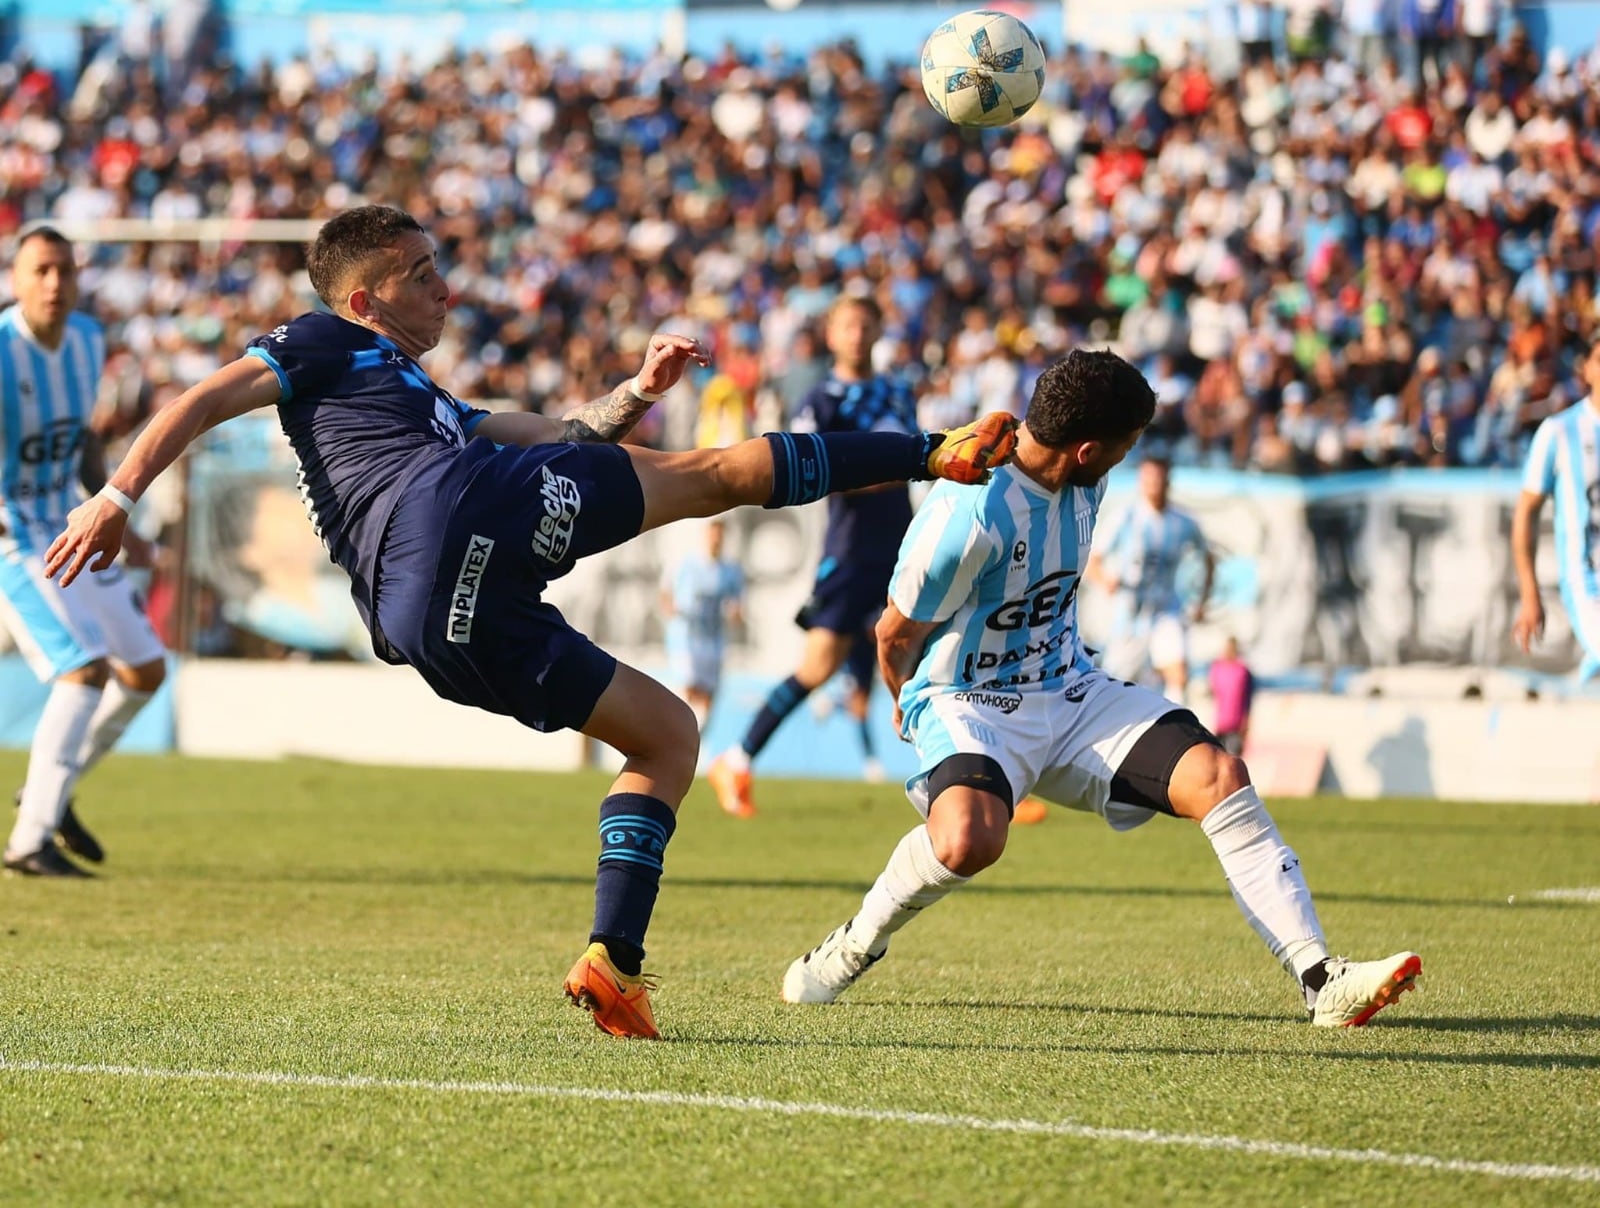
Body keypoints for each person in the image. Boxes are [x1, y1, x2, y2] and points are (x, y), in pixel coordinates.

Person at [44, 205, 1018, 1040]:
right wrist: (118, 494)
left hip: (434, 623)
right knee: (710, 477)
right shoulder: (324, 341)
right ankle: (939, 451)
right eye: (421, 275)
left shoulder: (428, 401)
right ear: (363, 302)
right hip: (451, 515)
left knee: (667, 734)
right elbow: (209, 394)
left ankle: (615, 961)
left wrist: (636, 393)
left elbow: (555, 437)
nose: (445, 291)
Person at [780, 349, 1422, 1028]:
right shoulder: (966, 517)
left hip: (1071, 689)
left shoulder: (1082, 479)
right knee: (967, 839)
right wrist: (906, 705)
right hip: (969, 703)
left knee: (1218, 774)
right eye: (1124, 446)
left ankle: (1322, 980)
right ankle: (852, 947)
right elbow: (893, 634)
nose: (1128, 458)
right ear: (1088, 451)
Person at [1, 225, 168, 878]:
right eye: (40, 270)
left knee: (145, 671)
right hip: (13, 538)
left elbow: (82, 445)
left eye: (65, 271)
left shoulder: (89, 340)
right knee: (83, 669)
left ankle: (52, 791)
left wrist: (114, 511)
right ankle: (27, 842)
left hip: (69, 528)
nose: (54, 283)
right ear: (16, 278)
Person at [706, 297, 916, 815]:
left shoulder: (896, 390)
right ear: (831, 335)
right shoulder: (823, 400)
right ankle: (736, 758)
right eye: (848, 325)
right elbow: (814, 472)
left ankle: (987, 780)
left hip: (905, 545)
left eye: (867, 324)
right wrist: (892, 469)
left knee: (935, 656)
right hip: (849, 552)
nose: (858, 333)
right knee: (819, 667)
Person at [1087, 453, 1215, 705]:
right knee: (1116, 680)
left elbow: (1209, 560)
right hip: (1130, 613)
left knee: (1178, 672)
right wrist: (1105, 581)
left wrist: (1201, 600)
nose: (1152, 483)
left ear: (1168, 481)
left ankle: (1176, 729)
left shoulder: (1183, 522)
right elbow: (1094, 561)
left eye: (1158, 477)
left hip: (1167, 609)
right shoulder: (1126, 518)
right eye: (1147, 478)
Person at [1512, 333, 1600, 677]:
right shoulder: (1560, 431)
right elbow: (1525, 513)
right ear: (1587, 369)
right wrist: (1530, 593)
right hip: (1587, 580)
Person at [660, 519, 744, 727]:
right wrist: (670, 608)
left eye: (720, 535)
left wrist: (735, 614)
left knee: (708, 697)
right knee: (688, 689)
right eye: (713, 534)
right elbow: (665, 591)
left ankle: (695, 742)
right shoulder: (686, 564)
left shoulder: (730, 571)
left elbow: (737, 604)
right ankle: (678, 736)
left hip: (713, 639)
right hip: (686, 637)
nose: (716, 540)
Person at [1209, 635, 1255, 756]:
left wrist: (1246, 723)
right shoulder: (1218, 668)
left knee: (1231, 759)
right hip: (1221, 723)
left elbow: (1247, 700)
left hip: (1233, 724)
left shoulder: (1241, 671)